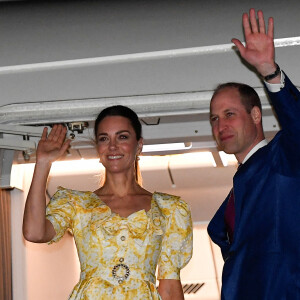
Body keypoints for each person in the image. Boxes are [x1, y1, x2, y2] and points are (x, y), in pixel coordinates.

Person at [23, 105, 193, 300]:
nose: (112, 146)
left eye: (122, 137)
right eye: (104, 139)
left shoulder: (169, 210)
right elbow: (34, 232)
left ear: (139, 146)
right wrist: (43, 163)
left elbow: (170, 287)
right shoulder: (77, 205)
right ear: (98, 148)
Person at [207, 9, 300, 300]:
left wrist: (269, 72)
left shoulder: (282, 160)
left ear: (256, 115)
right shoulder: (239, 187)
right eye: (214, 118)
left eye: (230, 114)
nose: (221, 125)